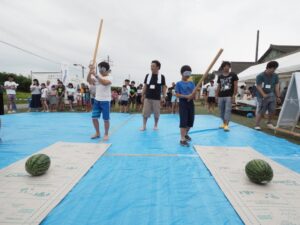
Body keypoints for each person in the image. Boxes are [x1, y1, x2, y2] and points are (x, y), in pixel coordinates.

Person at [87, 61, 112, 141]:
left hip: (106, 101)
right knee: (94, 118)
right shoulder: (97, 76)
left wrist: (95, 74)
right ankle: (97, 133)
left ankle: (106, 134)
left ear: (106, 69)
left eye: (102, 68)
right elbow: (89, 81)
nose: (100, 70)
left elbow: (105, 83)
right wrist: (90, 71)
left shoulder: (110, 77)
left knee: (106, 119)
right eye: (99, 68)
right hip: (97, 100)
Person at [140, 60, 167, 131]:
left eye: (153, 66)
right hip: (148, 97)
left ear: (158, 67)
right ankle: (144, 126)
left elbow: (164, 87)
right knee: (145, 112)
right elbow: (145, 86)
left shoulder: (162, 76)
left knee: (156, 113)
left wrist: (163, 96)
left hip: (157, 98)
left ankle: (155, 125)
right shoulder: (148, 75)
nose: (151, 67)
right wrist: (142, 95)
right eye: (151, 66)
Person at [254, 61, 281, 130]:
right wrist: (263, 94)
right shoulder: (260, 76)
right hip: (261, 96)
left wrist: (278, 96)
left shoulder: (275, 75)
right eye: (273, 68)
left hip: (271, 95)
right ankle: (257, 125)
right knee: (261, 111)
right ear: (268, 68)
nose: (274, 70)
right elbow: (258, 86)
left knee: (272, 110)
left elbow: (277, 86)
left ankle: (269, 123)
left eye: (275, 69)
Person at [175, 65, 195, 147]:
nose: (188, 75)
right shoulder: (178, 84)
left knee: (190, 122)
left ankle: (185, 134)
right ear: (182, 73)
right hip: (183, 103)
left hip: (191, 103)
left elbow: (194, 94)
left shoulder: (192, 83)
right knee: (183, 121)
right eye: (186, 73)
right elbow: (177, 94)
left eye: (189, 73)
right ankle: (182, 139)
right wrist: (186, 96)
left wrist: (193, 96)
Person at [216, 61, 238, 131]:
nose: (227, 67)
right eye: (225, 66)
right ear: (223, 67)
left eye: (228, 66)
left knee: (227, 110)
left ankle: (226, 125)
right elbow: (219, 86)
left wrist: (234, 95)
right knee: (221, 111)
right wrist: (216, 95)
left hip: (229, 96)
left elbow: (235, 85)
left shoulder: (233, 75)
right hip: (221, 96)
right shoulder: (220, 76)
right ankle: (224, 123)